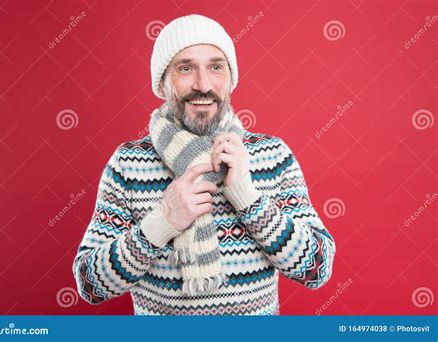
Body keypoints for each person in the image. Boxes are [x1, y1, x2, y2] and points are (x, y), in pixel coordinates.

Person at [72, 14, 336, 315]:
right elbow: (90, 285)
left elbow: (317, 269)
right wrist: (161, 224)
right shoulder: (129, 164)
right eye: (185, 68)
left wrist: (247, 199)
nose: (203, 84)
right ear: (163, 82)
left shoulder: (271, 155)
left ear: (230, 79)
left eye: (216, 67)